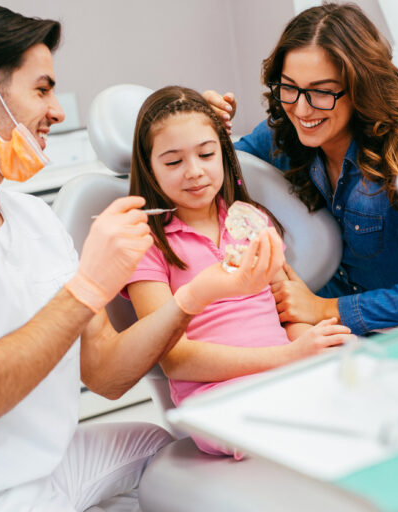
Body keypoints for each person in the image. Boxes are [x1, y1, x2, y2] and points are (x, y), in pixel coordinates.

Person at [0, 5, 283, 511]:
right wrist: (88, 287)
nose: (56, 110)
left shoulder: (33, 218)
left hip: (54, 464)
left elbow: (107, 375)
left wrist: (190, 300)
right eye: (42, 89)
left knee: (171, 458)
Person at [204, 3, 398, 336]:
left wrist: (327, 308)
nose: (301, 109)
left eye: (321, 92)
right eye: (289, 87)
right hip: (322, 334)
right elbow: (215, 174)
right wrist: (206, 128)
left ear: (360, 88)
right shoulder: (281, 134)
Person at [124, 86, 352, 457]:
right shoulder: (145, 244)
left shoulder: (253, 221)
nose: (194, 172)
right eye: (173, 162)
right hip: (217, 399)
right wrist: (288, 359)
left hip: (283, 376)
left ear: (225, 154)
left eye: (206, 154)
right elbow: (172, 357)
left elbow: (287, 309)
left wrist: (313, 347)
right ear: (148, 168)